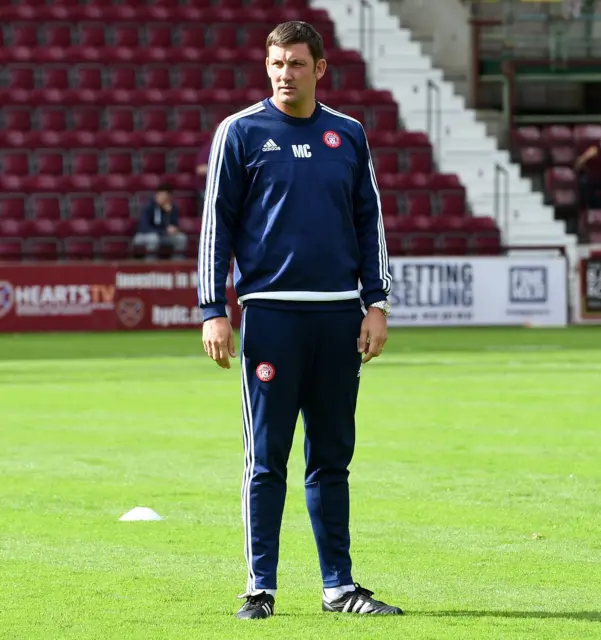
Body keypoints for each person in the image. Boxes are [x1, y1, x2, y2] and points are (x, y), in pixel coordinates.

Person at [197, 21, 400, 619]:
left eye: (297, 64)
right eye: (277, 64)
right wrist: (214, 309)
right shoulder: (239, 132)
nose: (286, 74)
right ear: (267, 67)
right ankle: (260, 587)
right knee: (266, 457)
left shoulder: (349, 134)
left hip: (339, 317)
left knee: (332, 456)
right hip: (270, 318)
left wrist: (377, 302)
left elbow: (371, 223)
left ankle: (339, 586)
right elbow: (217, 226)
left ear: (320, 68)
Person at [133, 184, 187, 258]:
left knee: (181, 238)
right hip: (144, 235)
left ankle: (177, 263)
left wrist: (168, 215)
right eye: (160, 196)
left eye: (165, 197)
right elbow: (144, 227)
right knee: (153, 238)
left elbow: (175, 225)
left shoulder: (172, 208)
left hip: (163, 235)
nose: (162, 198)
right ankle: (150, 264)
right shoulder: (148, 207)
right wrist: (163, 231)